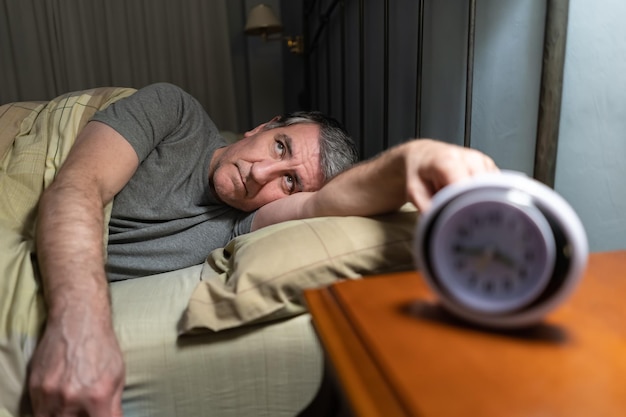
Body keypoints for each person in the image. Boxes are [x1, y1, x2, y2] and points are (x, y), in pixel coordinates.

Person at [28, 83, 498, 416]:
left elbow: (328, 202)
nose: (261, 174)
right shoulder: (176, 114)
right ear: (262, 126)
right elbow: (76, 187)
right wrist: (80, 327)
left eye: (289, 180)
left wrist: (413, 160)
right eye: (279, 147)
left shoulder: (242, 226)